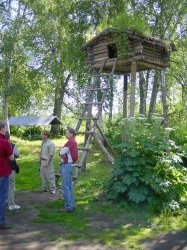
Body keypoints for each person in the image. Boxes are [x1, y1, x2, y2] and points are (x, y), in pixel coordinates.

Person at [59, 128, 78, 213]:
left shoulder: (70, 142)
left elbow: (62, 152)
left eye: (67, 133)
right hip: (70, 165)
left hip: (67, 165)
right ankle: (71, 204)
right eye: (65, 133)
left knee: (65, 186)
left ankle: (69, 206)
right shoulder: (73, 142)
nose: (66, 135)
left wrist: (61, 153)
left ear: (72, 134)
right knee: (69, 186)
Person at [0, 122, 14, 230]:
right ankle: (1, 221)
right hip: (2, 173)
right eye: (5, 128)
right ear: (2, 129)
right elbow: (12, 158)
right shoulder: (4, 142)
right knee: (3, 197)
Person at [5, 131, 21, 211]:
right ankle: (11, 204)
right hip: (10, 168)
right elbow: (17, 154)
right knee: (11, 186)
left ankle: (4, 202)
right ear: (9, 137)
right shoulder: (11, 145)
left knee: (3, 186)